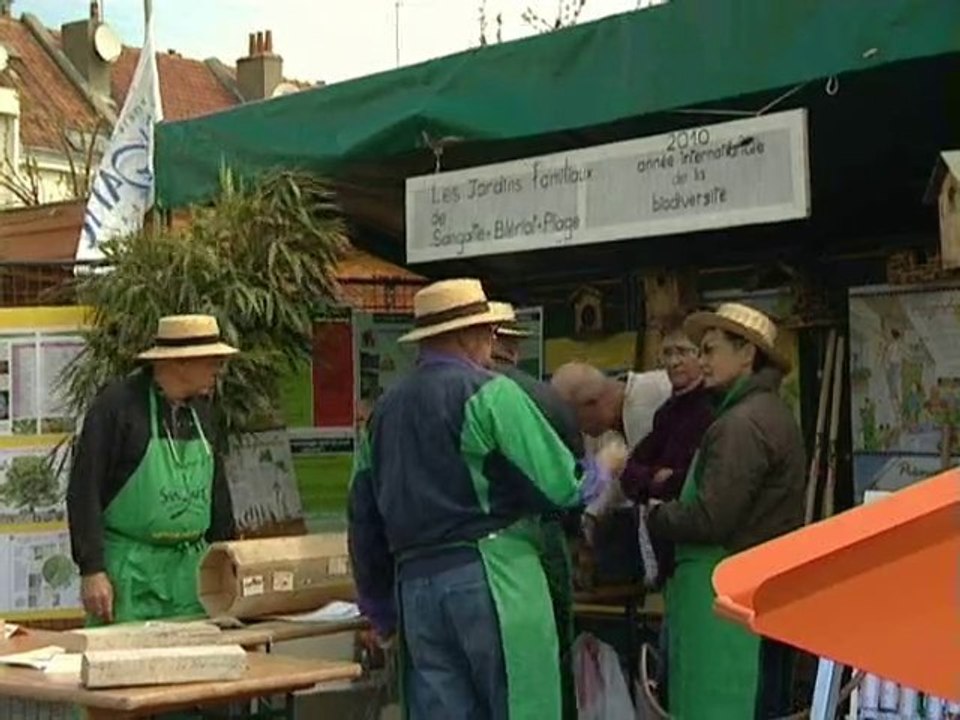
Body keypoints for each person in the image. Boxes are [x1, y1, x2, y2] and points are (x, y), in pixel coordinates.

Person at [348, 280, 623, 720]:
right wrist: (605, 465)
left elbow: (362, 516)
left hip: (415, 586)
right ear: (470, 335)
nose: (492, 345)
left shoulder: (382, 412)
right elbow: (562, 486)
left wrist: (380, 609)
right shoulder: (491, 393)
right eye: (491, 334)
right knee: (521, 707)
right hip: (495, 577)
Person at [646, 303, 806, 720]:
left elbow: (712, 518)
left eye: (711, 350)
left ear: (747, 354)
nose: (701, 360)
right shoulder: (768, 412)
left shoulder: (741, 424)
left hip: (725, 594)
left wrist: (658, 515)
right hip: (749, 588)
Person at [67, 315, 237, 626]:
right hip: (129, 577)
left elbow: (218, 494)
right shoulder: (118, 405)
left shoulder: (203, 412)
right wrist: (92, 569)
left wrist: (231, 560)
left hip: (191, 575)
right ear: (180, 363)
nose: (218, 369)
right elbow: (83, 489)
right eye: (211, 360)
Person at [489, 302, 583, 720]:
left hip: (467, 553)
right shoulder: (544, 397)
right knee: (550, 655)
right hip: (540, 540)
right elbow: (571, 484)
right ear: (510, 344)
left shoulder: (437, 394)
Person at [551, 360, 671, 450]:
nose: (577, 428)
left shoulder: (661, 395)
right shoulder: (607, 431)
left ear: (590, 403)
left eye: (573, 417)